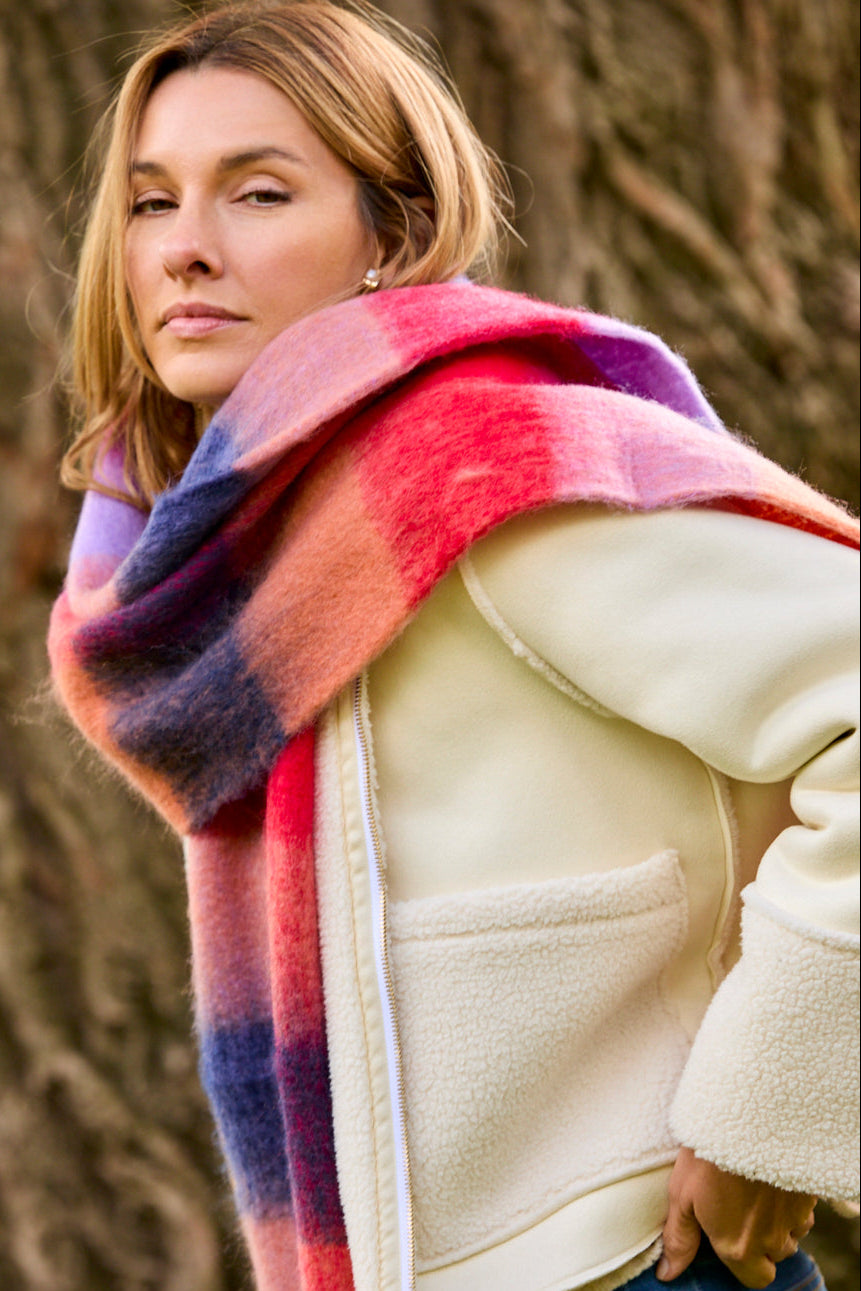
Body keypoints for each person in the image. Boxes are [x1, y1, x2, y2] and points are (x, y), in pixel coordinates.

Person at [48, 3, 859, 1291]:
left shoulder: (478, 467)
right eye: (153, 203)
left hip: (621, 1265)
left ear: (396, 231)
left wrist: (772, 1107)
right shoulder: (249, 551)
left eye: (257, 194)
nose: (185, 250)